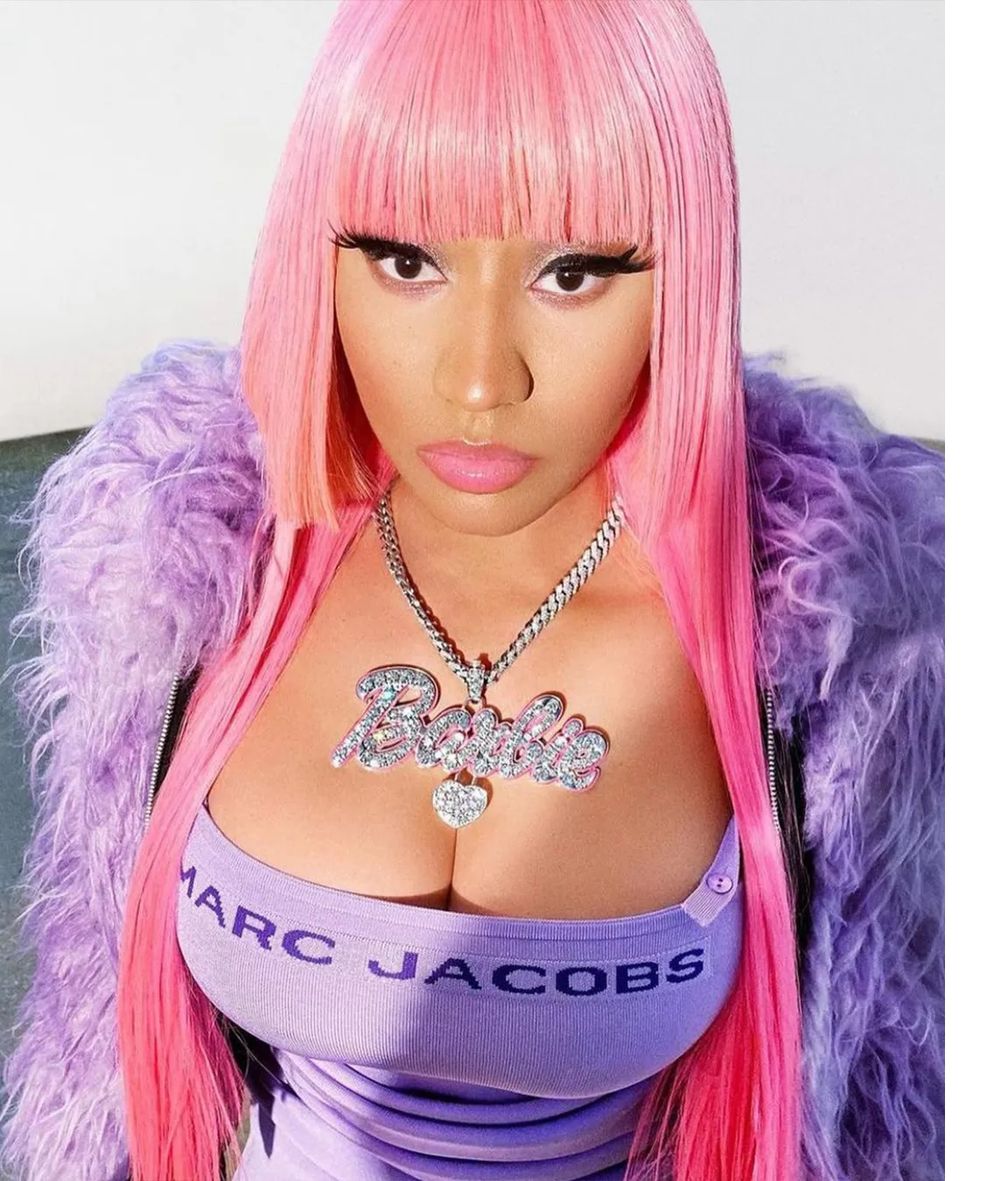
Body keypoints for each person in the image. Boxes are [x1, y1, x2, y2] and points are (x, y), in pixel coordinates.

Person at [0, 2, 944, 1179]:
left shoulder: (840, 643)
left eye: (573, 272)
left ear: (688, 276)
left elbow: (886, 1088)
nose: (479, 379)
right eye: (406, 262)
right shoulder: (184, 568)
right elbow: (92, 1038)